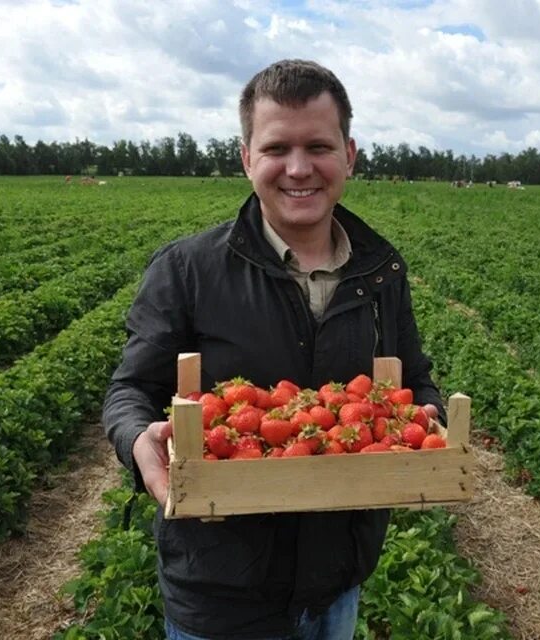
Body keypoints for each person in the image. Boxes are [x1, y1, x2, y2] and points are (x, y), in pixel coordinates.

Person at [103, 58, 445, 640]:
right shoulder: (188, 269)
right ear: (246, 158)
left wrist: (425, 419)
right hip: (219, 594)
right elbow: (131, 389)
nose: (298, 168)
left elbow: (414, 376)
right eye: (276, 148)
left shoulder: (381, 271)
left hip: (336, 583)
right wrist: (138, 437)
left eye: (318, 146)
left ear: (350, 154)